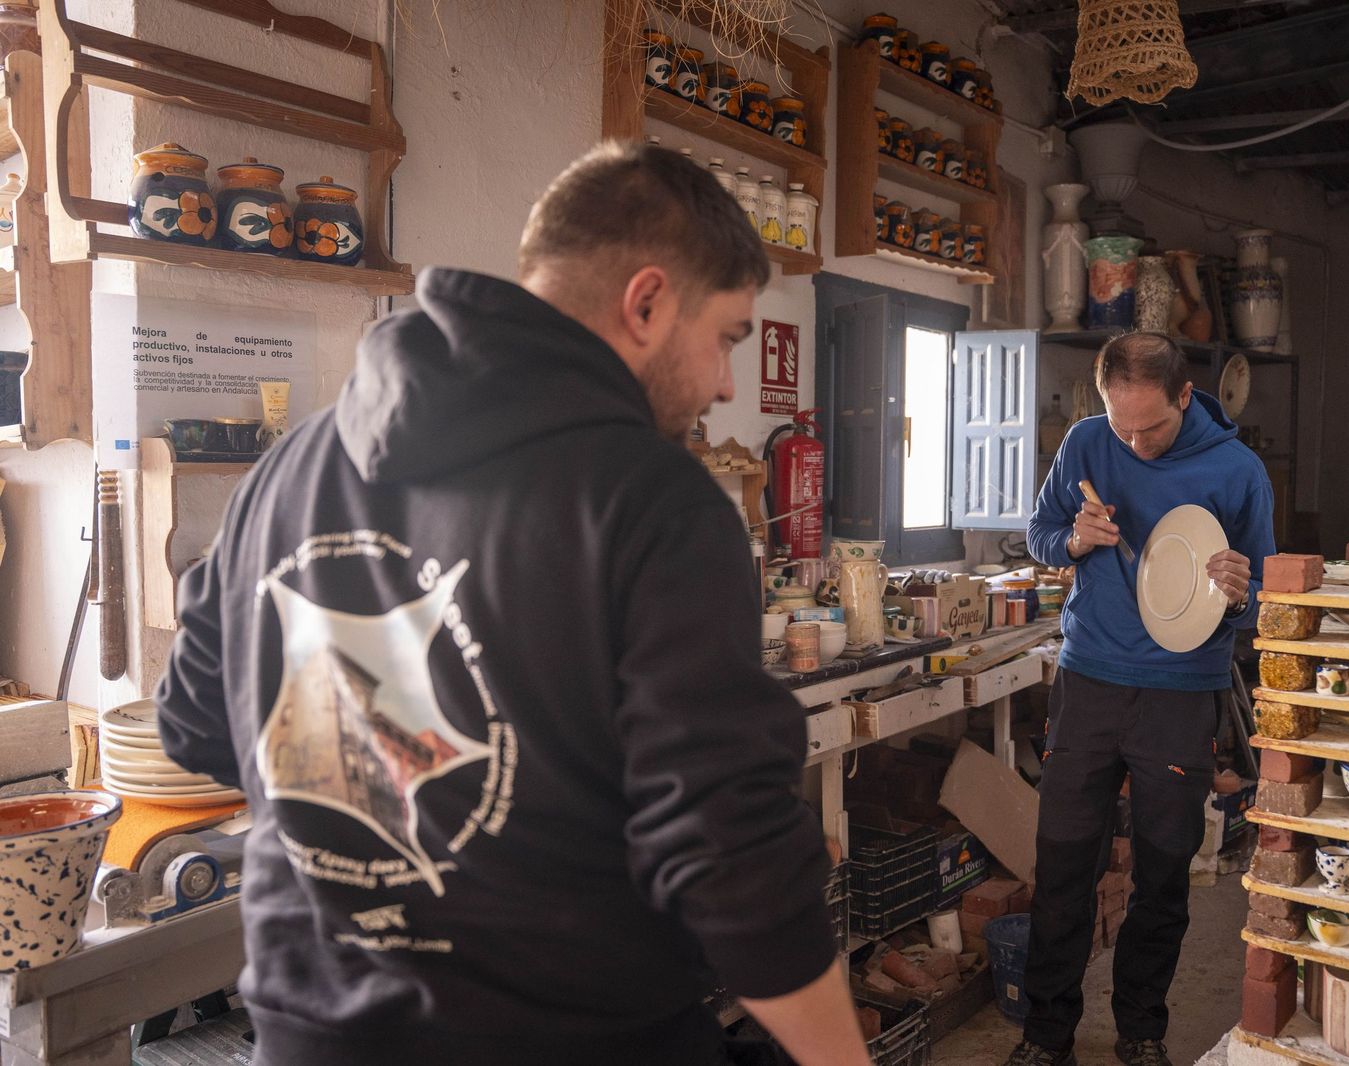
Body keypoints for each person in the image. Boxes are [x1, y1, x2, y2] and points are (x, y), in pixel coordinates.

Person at [156, 143, 871, 1066]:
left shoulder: (287, 468)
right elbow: (729, 850)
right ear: (647, 303)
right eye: (729, 337)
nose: (727, 382)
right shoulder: (653, 499)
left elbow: (197, 725)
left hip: (311, 1036)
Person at [1005, 332, 1276, 1066]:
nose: (1133, 444)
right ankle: (1046, 1034)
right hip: (1089, 681)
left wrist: (1240, 594)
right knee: (1063, 866)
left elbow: (1268, 602)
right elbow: (1038, 534)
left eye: (1149, 427)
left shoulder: (1238, 471)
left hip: (1179, 695)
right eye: (1120, 425)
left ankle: (1141, 1030)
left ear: (1186, 396)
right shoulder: (1087, 442)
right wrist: (1073, 541)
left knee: (1163, 874)